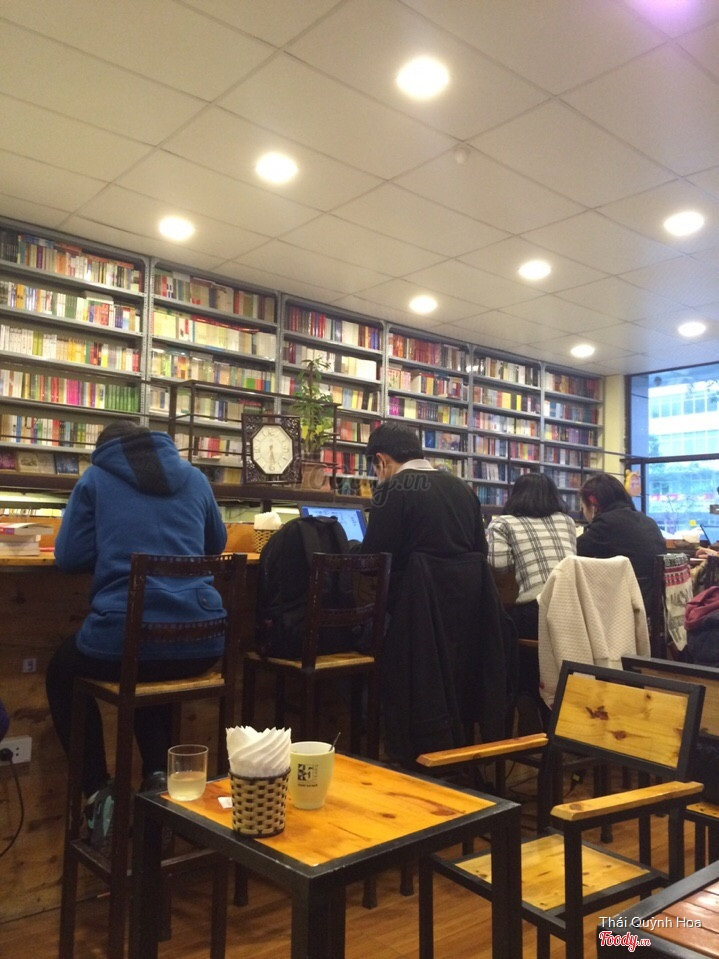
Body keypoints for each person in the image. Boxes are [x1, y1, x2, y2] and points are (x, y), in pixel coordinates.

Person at [46, 421, 227, 844]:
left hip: (128, 636)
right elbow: (215, 545)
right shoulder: (195, 478)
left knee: (63, 672)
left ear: (104, 450)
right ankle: (159, 779)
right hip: (202, 639)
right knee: (150, 661)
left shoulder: (96, 478)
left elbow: (68, 556)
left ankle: (98, 792)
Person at [358, 422, 513, 765]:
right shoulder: (463, 489)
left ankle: (375, 752)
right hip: (466, 626)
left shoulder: (392, 490)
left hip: (413, 627)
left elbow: (372, 562)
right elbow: (479, 553)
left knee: (355, 644)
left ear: (381, 460)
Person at [487, 473, 577, 732]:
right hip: (572, 611)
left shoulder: (503, 523)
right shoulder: (567, 521)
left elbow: (498, 564)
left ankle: (524, 697)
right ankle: (548, 709)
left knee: (502, 634)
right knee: (542, 647)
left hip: (535, 610)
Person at [576, 471, 665, 612]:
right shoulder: (648, 521)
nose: (583, 509)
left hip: (623, 606)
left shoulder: (606, 524)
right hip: (651, 604)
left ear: (593, 503)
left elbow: (572, 553)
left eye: (583, 504)